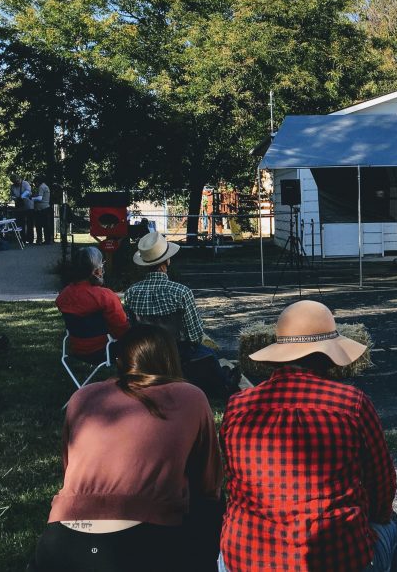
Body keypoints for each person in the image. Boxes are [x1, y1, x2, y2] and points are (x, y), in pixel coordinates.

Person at [219, 300, 397, 572]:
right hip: (337, 559)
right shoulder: (351, 404)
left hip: (247, 559)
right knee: (388, 528)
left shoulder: (239, 406)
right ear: (327, 357)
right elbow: (381, 485)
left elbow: (230, 481)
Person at [28, 324, 223, 572]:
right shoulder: (190, 396)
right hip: (136, 545)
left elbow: (69, 467)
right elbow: (209, 483)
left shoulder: (83, 396)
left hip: (61, 541)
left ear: (119, 359)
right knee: (210, 507)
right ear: (171, 358)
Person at [124, 232, 238, 402]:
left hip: (145, 353)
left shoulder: (131, 292)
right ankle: (224, 384)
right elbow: (195, 336)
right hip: (178, 353)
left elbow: (131, 327)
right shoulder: (181, 292)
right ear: (167, 261)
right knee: (209, 355)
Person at [56, 247, 130, 363]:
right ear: (96, 271)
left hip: (76, 350)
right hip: (104, 351)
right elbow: (122, 331)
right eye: (101, 266)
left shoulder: (63, 296)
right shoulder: (105, 296)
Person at [11, 174, 34, 245]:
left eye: (17, 181)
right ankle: (23, 239)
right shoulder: (12, 186)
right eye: (14, 182)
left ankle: (30, 240)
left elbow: (28, 191)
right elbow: (12, 195)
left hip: (28, 206)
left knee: (30, 223)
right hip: (19, 207)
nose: (16, 183)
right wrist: (15, 198)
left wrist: (21, 197)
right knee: (21, 223)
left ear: (19, 178)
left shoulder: (25, 183)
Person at [33, 175, 53, 245]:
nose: (35, 185)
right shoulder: (46, 186)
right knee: (46, 225)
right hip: (46, 208)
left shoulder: (41, 187)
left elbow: (39, 198)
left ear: (37, 182)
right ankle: (48, 240)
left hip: (41, 209)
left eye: (35, 183)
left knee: (39, 225)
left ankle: (39, 240)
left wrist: (31, 198)